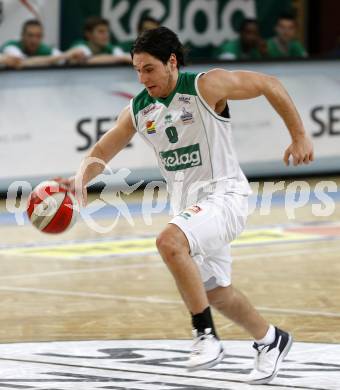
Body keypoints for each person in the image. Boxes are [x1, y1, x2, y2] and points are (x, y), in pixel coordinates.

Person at [65, 27, 313, 384]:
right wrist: (79, 180)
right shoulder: (139, 108)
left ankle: (205, 335)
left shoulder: (205, 86)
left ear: (171, 62)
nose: (142, 77)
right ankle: (271, 339)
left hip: (225, 196)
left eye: (148, 68)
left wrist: (299, 135)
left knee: (169, 242)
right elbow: (104, 149)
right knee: (216, 292)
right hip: (188, 205)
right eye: (136, 70)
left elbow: (269, 83)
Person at [0, 19, 80, 67]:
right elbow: (21, 63)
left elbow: (64, 59)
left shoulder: (44, 48)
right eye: (30, 35)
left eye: (38, 36)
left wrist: (72, 58)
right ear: (22, 36)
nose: (34, 40)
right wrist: (63, 56)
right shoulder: (11, 47)